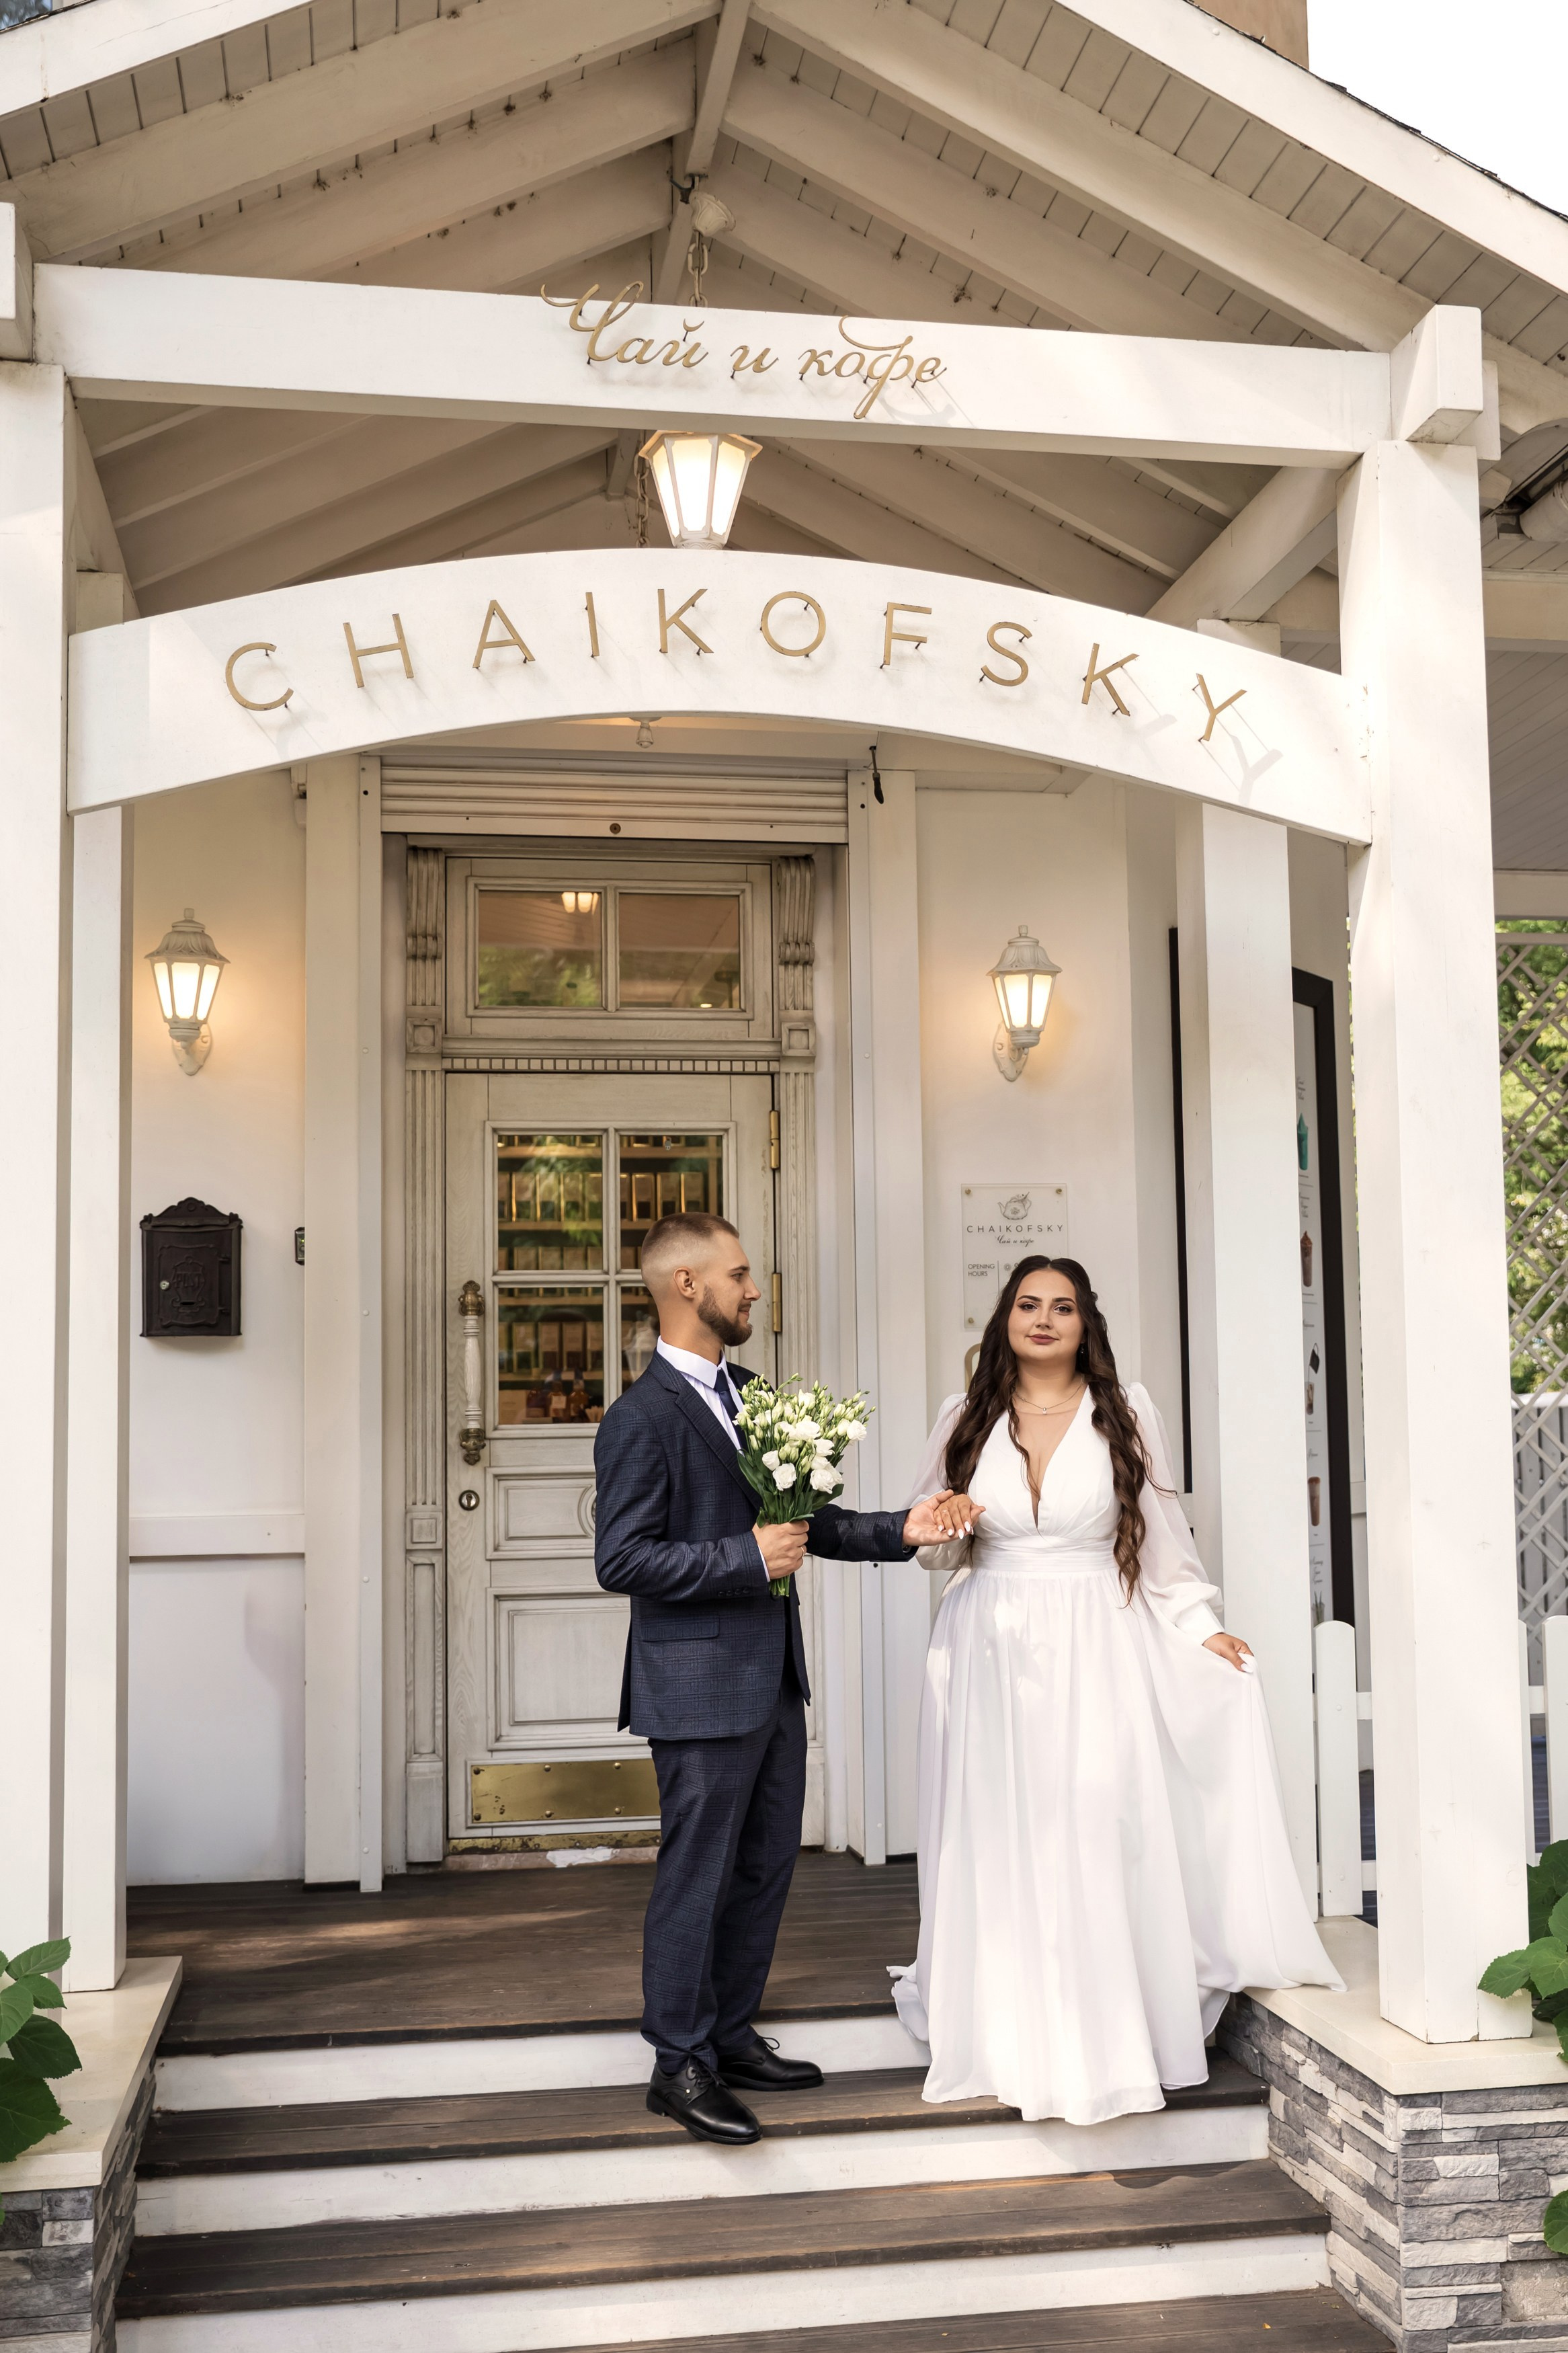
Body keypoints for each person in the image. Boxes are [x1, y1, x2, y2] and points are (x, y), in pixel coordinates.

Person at [891, 1254, 1342, 2127]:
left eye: (1062, 1307)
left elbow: (1161, 1539)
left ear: (1085, 1323)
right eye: (1028, 1304)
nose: (1044, 1320)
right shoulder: (963, 1417)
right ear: (1005, 1319)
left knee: (1094, 1826)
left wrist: (1198, 1624)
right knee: (998, 1829)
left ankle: (1105, 2034)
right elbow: (929, 1544)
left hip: (1096, 1638)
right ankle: (1005, 2030)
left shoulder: (1125, 1413)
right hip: (986, 1647)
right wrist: (943, 1528)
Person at [593, 1209, 971, 2148]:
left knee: (763, 1867)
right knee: (697, 1872)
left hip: (770, 1680)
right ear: (686, 1285)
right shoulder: (640, 1418)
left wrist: (903, 1529)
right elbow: (622, 1560)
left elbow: (813, 1522)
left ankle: (728, 2033)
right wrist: (741, 1557)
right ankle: (676, 2062)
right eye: (740, 1274)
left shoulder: (751, 1397)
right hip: (694, 1684)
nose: (753, 1289)